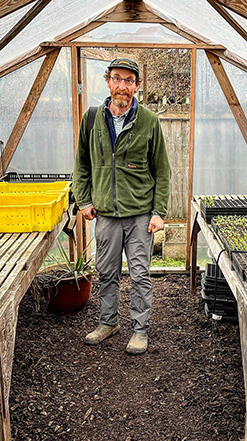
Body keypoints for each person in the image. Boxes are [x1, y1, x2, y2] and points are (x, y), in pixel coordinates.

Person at [72, 58, 171, 355]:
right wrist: (84, 200)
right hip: (106, 215)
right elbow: (81, 165)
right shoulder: (91, 119)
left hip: (140, 214)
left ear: (137, 86)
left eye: (129, 81)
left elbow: (162, 171)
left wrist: (159, 212)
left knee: (139, 274)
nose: (123, 86)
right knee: (106, 270)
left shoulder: (149, 121)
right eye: (117, 78)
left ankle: (139, 330)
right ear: (108, 81)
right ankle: (108, 322)